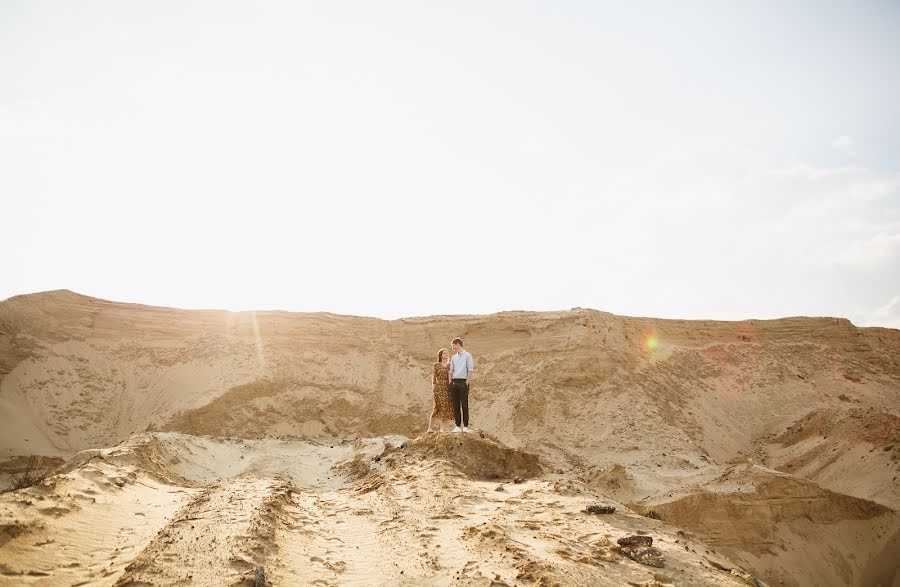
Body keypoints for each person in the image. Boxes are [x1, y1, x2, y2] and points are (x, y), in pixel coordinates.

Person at [448, 337, 475, 432]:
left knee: (464, 404)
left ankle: (466, 426)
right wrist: (450, 382)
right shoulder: (453, 357)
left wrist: (466, 383)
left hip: (463, 382)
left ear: (458, 344)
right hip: (454, 382)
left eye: (453, 346)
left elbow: (470, 370)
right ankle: (458, 426)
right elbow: (451, 370)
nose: (452, 348)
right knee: (456, 405)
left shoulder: (468, 355)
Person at [428, 348, 454, 432]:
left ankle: (442, 429)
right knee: (437, 407)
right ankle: (430, 428)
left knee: (445, 408)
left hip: (447, 388)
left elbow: (452, 376)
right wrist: (433, 386)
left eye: (447, 353)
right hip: (438, 388)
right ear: (441, 355)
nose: (446, 355)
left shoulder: (450, 365)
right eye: (444, 353)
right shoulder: (436, 365)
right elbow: (434, 377)